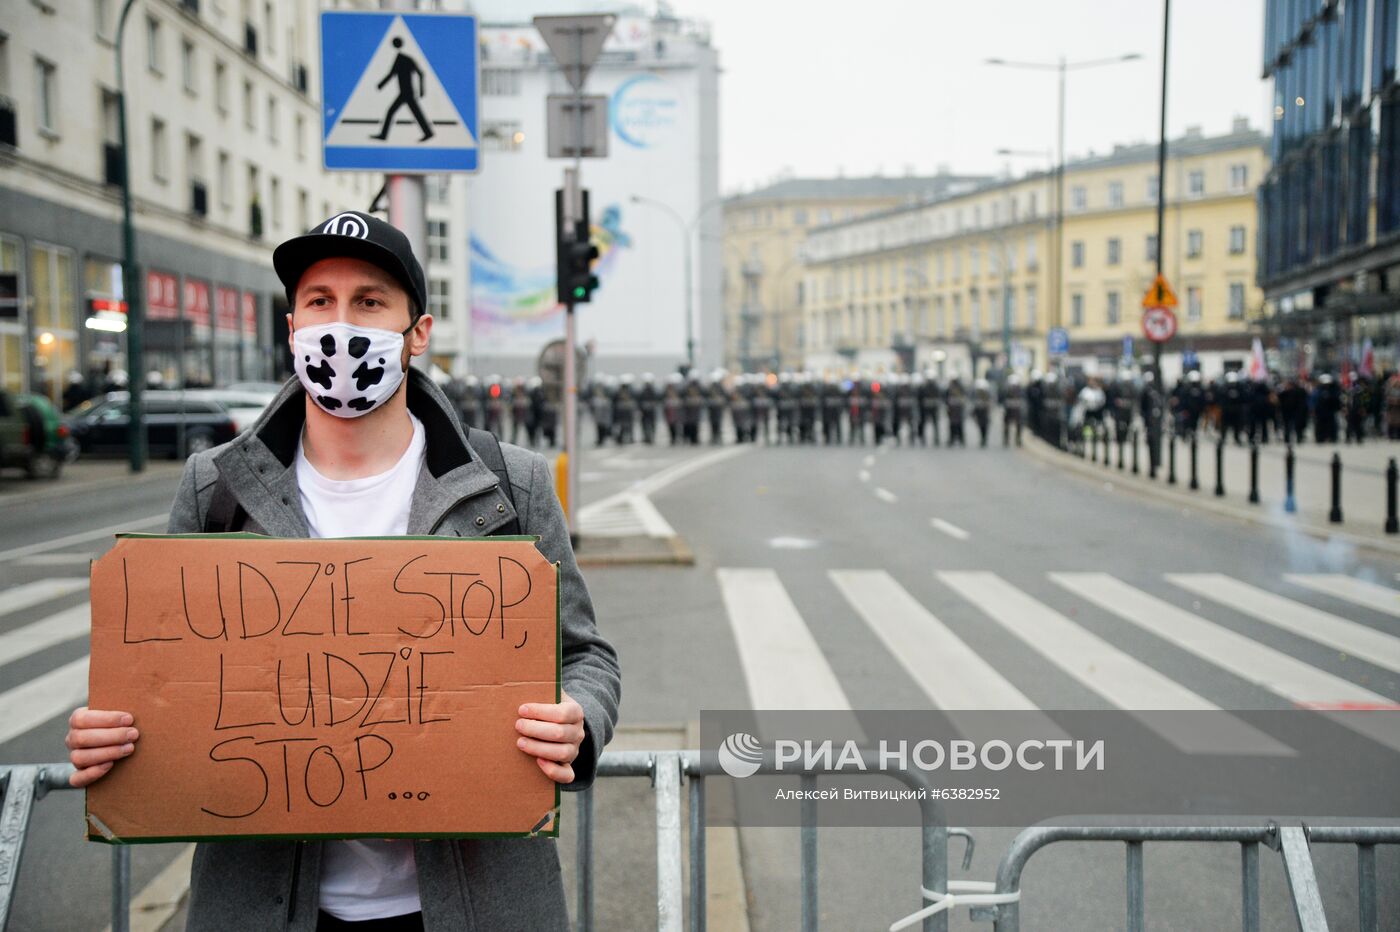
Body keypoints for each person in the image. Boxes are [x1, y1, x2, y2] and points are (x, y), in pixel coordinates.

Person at [66, 211, 620, 932]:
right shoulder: (216, 488)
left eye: (369, 301)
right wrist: (112, 730)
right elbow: (167, 673)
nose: (341, 322)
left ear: (417, 332)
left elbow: (585, 655)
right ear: (292, 325)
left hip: (472, 902)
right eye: (320, 301)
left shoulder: (507, 485)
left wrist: (580, 721)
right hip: (269, 905)